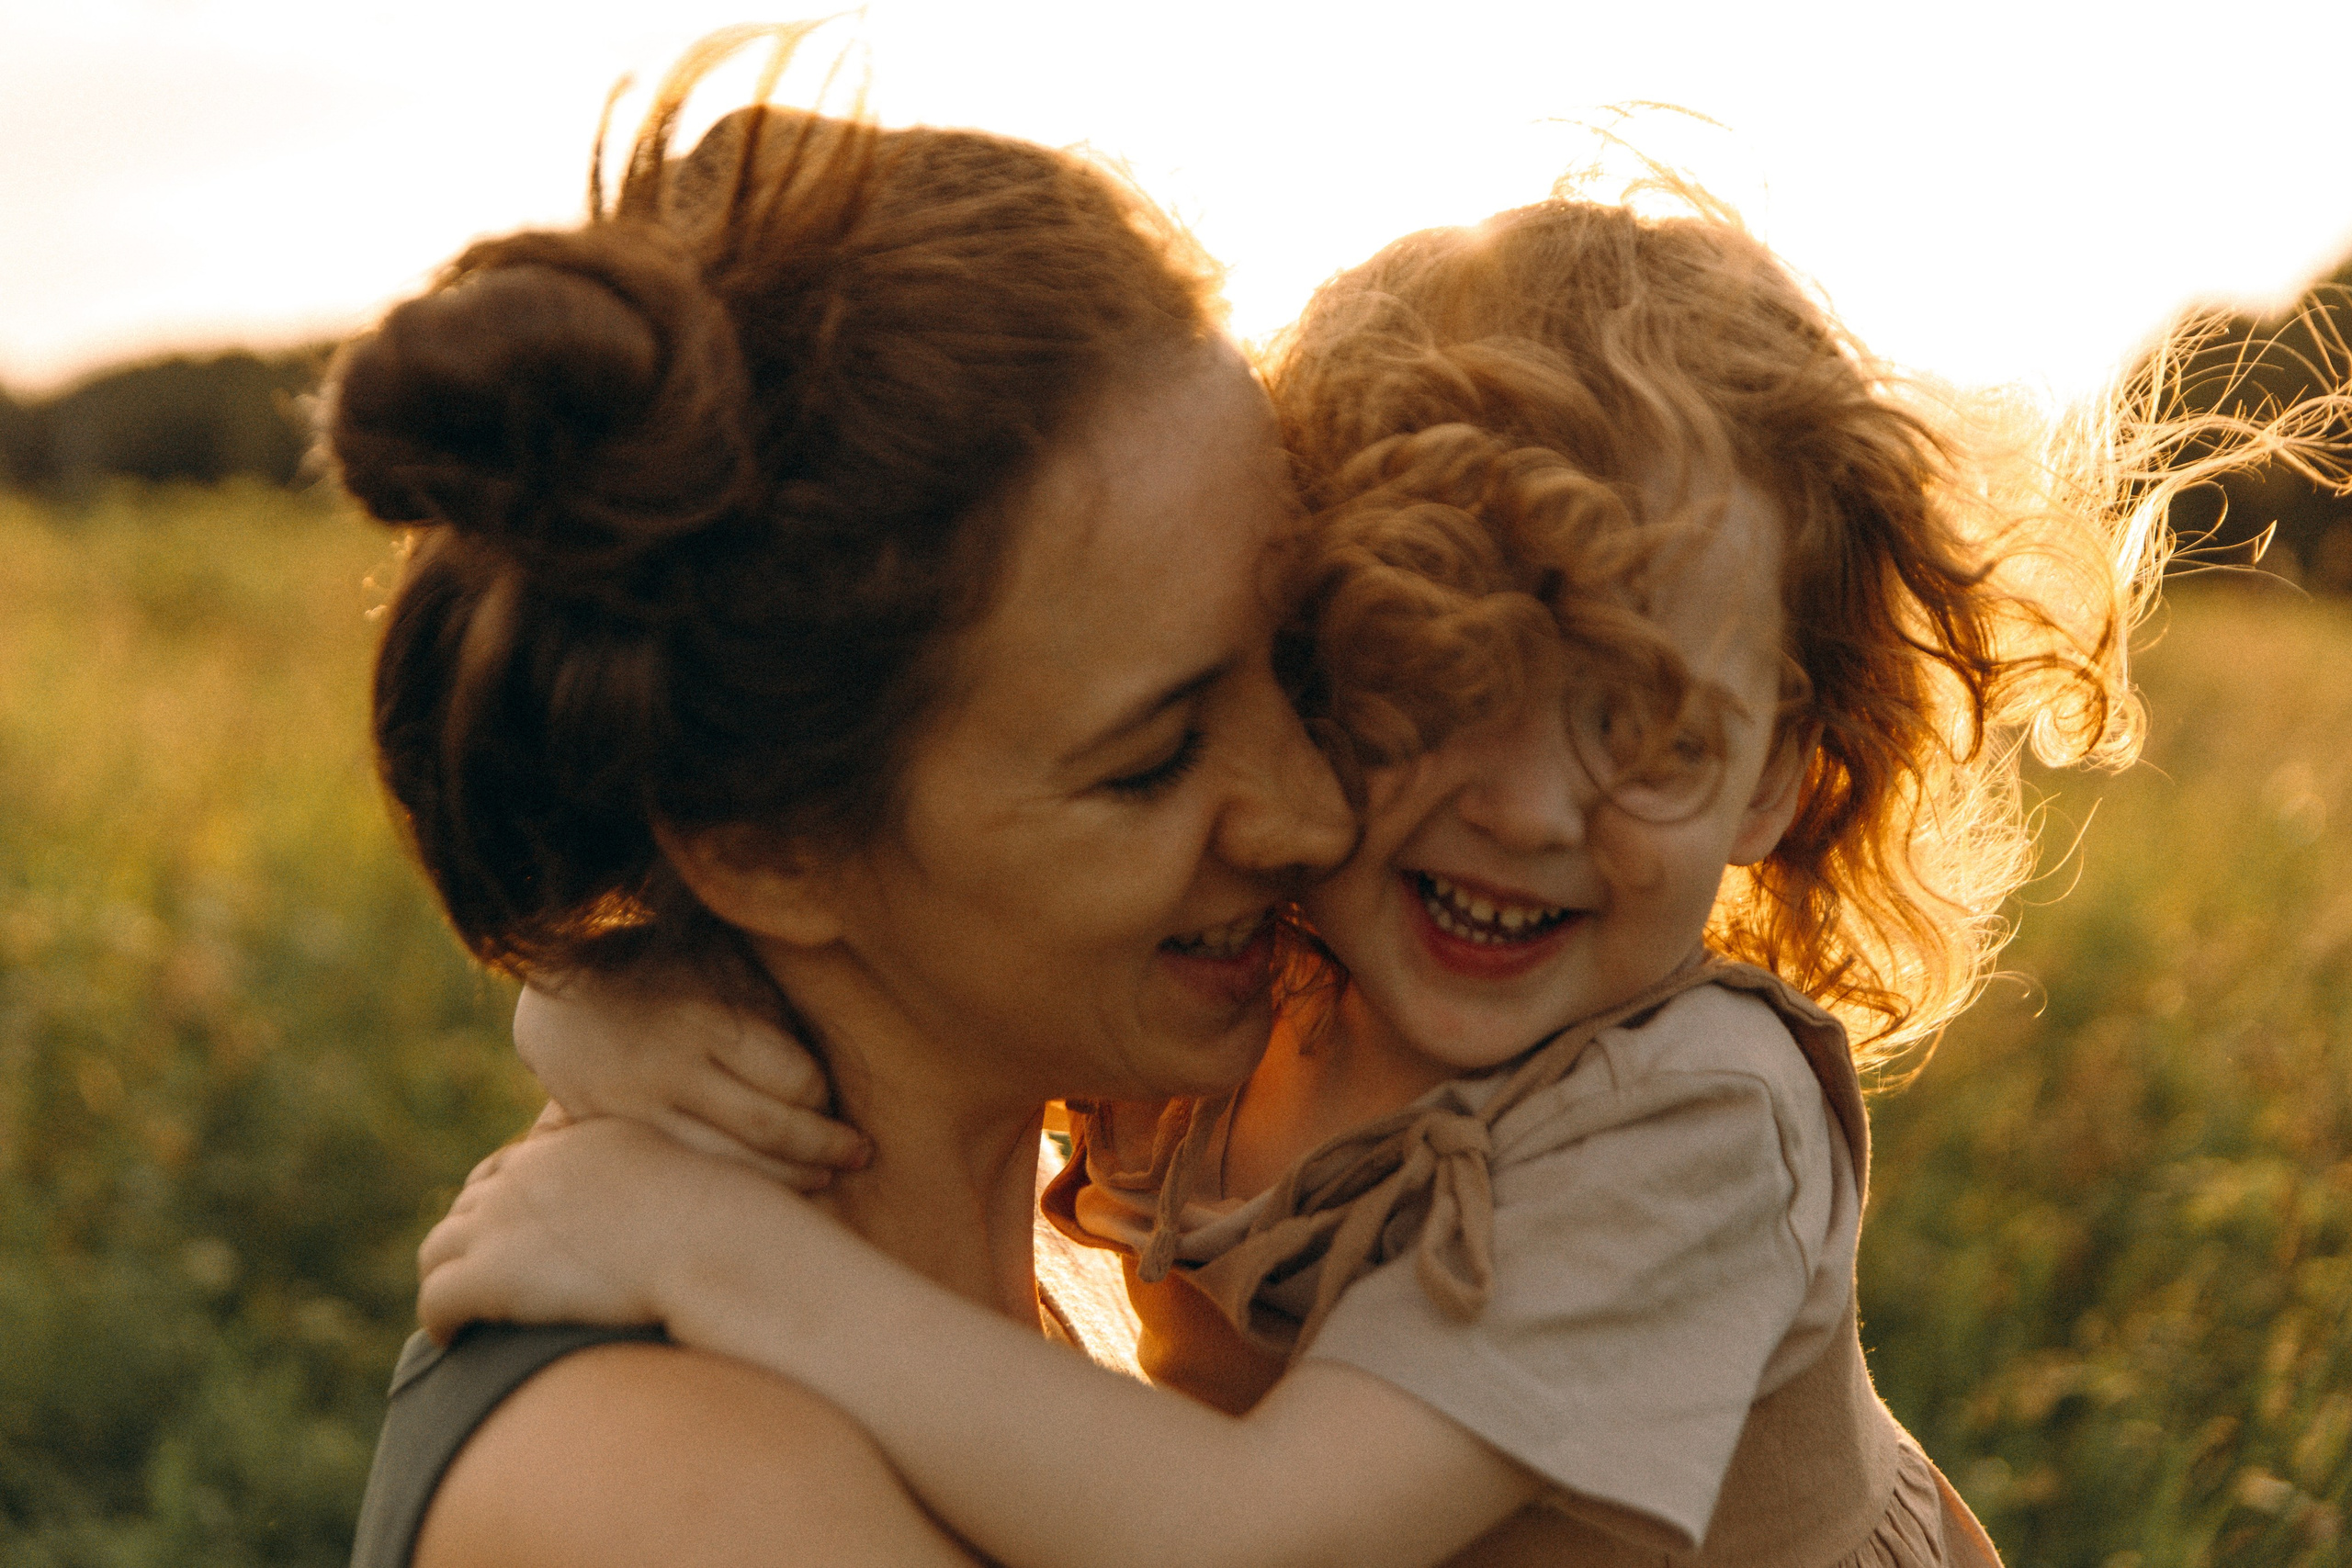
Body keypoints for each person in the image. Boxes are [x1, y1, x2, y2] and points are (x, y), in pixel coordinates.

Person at [417, 192, 2262, 1567]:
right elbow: (908, 964)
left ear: (1786, 766)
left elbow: (1242, 1540)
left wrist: (696, 1236)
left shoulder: (1688, 1110)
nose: (1530, 806)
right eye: (1429, 684)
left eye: (1646, 729)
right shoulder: (1277, 974)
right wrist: (602, 995)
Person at [328, 28, 1359, 1568]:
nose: (1313, 814)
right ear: (764, 844)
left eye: (1304, 660)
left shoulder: (1083, 1265)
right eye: (1149, 758)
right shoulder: (664, 1495)